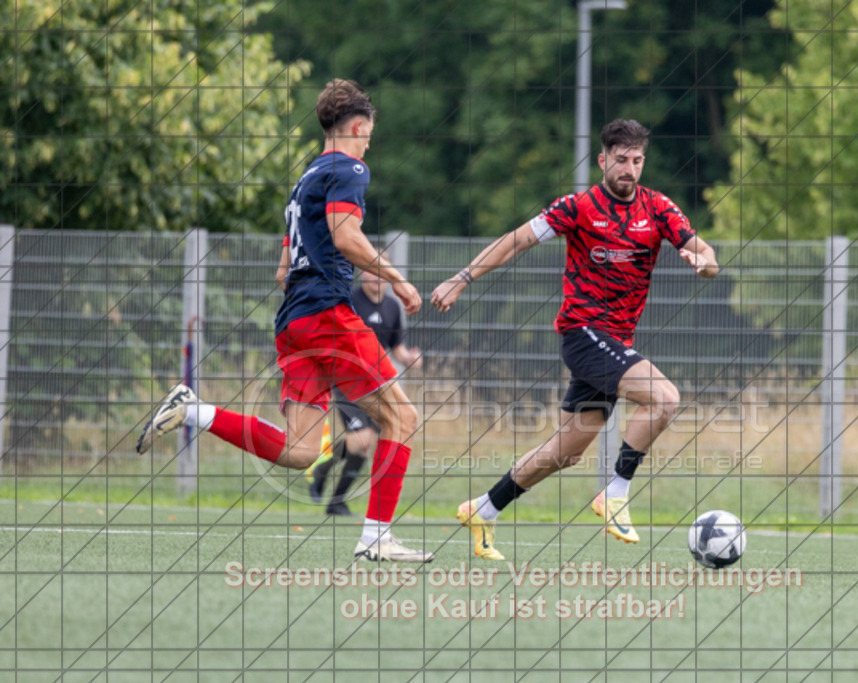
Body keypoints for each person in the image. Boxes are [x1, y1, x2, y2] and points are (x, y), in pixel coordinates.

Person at [137, 78, 433, 562]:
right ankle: (376, 537)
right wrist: (397, 278)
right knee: (403, 417)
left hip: (294, 321)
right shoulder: (350, 168)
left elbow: (283, 271)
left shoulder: (305, 181)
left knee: (301, 451)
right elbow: (346, 237)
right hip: (327, 315)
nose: (367, 145)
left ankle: (193, 412)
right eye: (369, 135)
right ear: (358, 127)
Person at [431, 119, 719, 560]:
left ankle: (483, 509)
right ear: (602, 160)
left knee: (564, 452)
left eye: (637, 161)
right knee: (664, 398)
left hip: (615, 343)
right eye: (620, 160)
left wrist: (703, 263)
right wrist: (462, 278)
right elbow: (516, 241)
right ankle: (615, 493)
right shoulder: (578, 207)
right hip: (583, 332)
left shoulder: (659, 208)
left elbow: (706, 253)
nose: (629, 169)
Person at [274, 253, 422, 516]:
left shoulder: (392, 307)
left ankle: (328, 479)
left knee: (364, 443)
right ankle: (336, 499)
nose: (376, 276)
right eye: (371, 269)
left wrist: (409, 358)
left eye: (381, 270)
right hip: (346, 379)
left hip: (376, 383)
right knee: (362, 442)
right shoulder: (348, 300)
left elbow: (396, 347)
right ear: (362, 272)